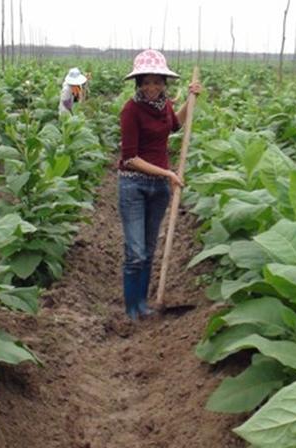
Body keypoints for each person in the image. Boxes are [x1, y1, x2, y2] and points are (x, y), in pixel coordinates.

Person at [118, 49, 201, 321]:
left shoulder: (164, 106)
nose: (152, 87)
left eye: (157, 81)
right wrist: (167, 173)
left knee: (149, 249)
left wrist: (190, 99)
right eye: (147, 81)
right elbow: (129, 158)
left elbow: (175, 125)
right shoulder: (130, 110)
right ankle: (132, 310)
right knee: (136, 252)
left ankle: (143, 305)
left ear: (164, 84)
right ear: (138, 83)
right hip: (134, 186)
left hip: (159, 189)